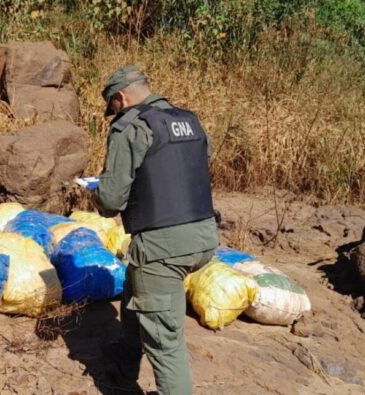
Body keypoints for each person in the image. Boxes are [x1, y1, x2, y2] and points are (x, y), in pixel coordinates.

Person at [93, 65, 220, 395]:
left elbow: (110, 201)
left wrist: (95, 190)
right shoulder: (188, 120)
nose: (114, 114)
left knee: (166, 342)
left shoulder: (130, 127)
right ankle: (124, 364)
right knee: (136, 287)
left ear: (120, 98)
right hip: (204, 235)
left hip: (164, 246)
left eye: (113, 107)